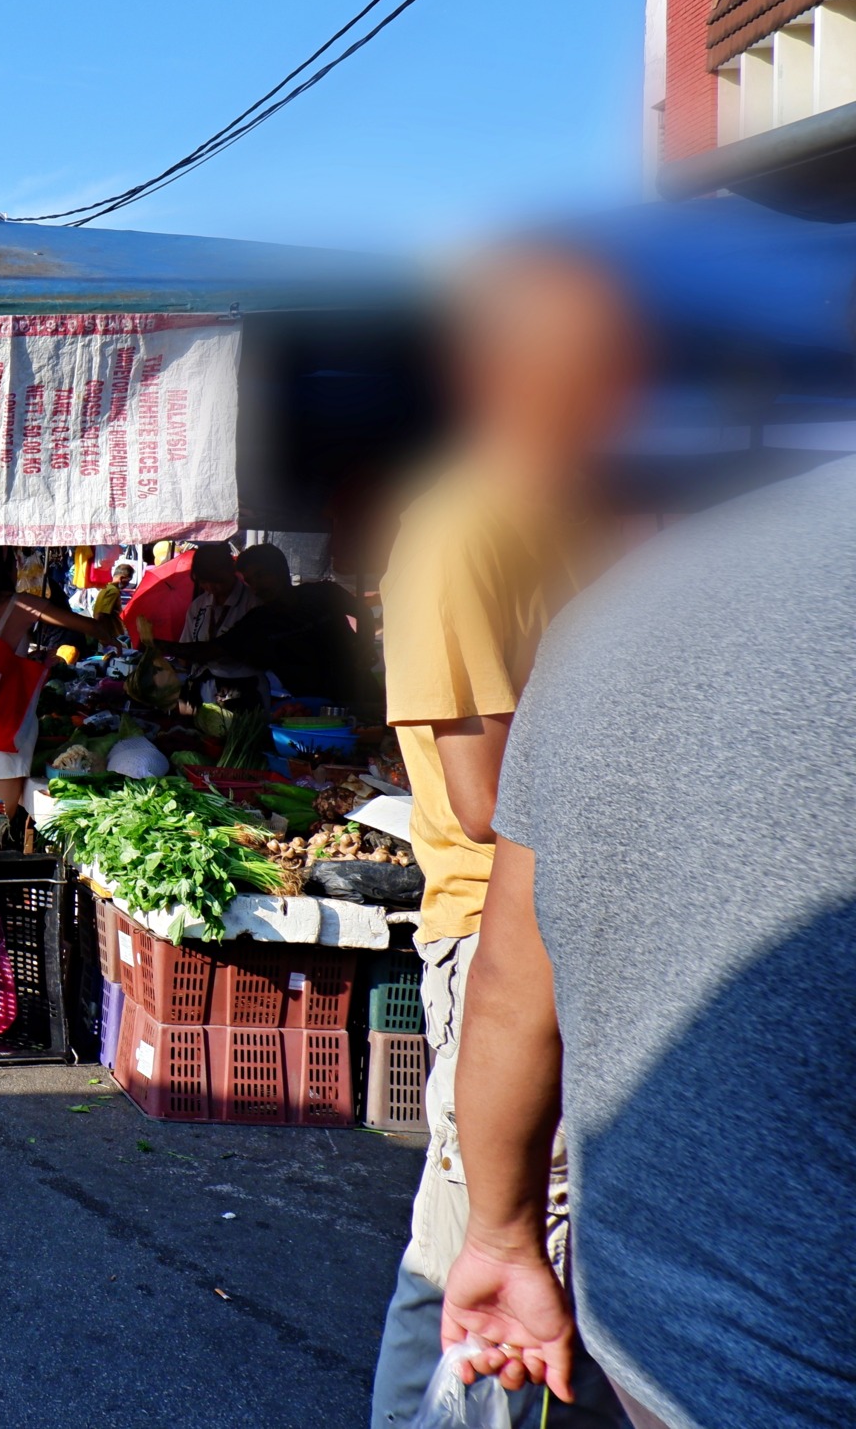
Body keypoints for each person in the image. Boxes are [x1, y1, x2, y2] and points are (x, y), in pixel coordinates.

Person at [437, 456, 856, 1429]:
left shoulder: (620, 601)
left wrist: (500, 1233)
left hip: (661, 1342)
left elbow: (510, 979)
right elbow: (474, 810)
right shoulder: (448, 533)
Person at [367, 247, 642, 1429]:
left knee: (494, 1239)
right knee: (496, 1239)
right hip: (502, 940)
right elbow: (488, 796)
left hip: (598, 922)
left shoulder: (595, 516)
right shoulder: (460, 525)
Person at [164, 542, 371, 712]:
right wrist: (157, 646)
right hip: (308, 705)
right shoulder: (259, 619)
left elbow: (364, 613)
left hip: (359, 691)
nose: (257, 586)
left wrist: (365, 643)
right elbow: (213, 649)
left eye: (262, 575)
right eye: (250, 580)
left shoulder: (324, 593)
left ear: (281, 569)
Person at [176, 542, 253, 643]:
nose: (210, 587)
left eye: (216, 581)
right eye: (203, 582)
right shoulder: (197, 606)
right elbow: (186, 644)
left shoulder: (252, 604)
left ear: (231, 571)